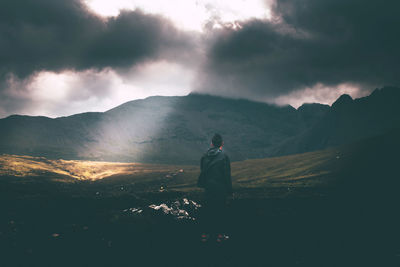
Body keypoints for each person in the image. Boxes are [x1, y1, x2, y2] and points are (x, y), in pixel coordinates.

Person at [197, 133, 232, 242]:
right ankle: (220, 236)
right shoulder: (224, 156)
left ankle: (205, 235)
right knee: (220, 212)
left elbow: (203, 171)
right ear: (222, 144)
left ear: (211, 144)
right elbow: (227, 175)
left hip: (208, 188)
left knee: (208, 211)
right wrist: (230, 190)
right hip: (220, 188)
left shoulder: (204, 156)